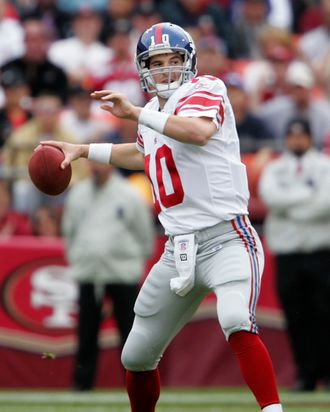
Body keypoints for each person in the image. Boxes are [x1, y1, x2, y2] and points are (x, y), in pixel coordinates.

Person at [40, 22, 284, 411]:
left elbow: (197, 132)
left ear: (189, 63)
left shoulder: (207, 89)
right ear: (144, 68)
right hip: (178, 249)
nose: (167, 69)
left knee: (236, 318)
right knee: (135, 355)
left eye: (174, 60)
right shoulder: (153, 112)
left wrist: (136, 113)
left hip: (227, 237)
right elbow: (142, 154)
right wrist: (84, 149)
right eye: (157, 62)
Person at [62, 160, 155, 391]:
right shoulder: (78, 195)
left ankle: (136, 384)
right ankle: (82, 385)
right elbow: (69, 231)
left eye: (100, 164)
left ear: (111, 166)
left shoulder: (129, 195)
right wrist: (79, 258)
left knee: (130, 334)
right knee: (86, 334)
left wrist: (133, 264)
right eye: (92, 164)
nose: (96, 168)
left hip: (122, 274)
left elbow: (145, 235)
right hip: (90, 273)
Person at [259, 117, 330, 392]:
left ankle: (327, 373)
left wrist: (290, 205)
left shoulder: (324, 166)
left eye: (302, 136)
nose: (297, 140)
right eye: (292, 136)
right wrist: (307, 196)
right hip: (288, 254)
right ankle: (306, 374)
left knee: (324, 314)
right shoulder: (275, 168)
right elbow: (270, 197)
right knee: (297, 316)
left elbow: (326, 203)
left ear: (310, 137)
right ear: (287, 138)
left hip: (320, 252)